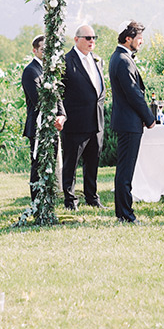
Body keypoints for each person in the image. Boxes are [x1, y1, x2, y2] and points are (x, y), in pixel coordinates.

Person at [108, 21, 155, 223]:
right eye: (139, 38)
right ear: (128, 39)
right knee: (125, 172)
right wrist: (149, 118)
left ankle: (123, 212)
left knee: (124, 170)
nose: (141, 42)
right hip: (129, 122)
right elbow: (134, 94)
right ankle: (125, 215)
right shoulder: (123, 60)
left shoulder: (119, 57)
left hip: (127, 121)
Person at [61, 24, 105, 209]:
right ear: (76, 39)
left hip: (96, 121)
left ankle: (92, 197)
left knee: (93, 162)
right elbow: (59, 93)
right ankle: (70, 200)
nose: (91, 41)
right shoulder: (66, 61)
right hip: (75, 122)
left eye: (94, 37)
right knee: (71, 164)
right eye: (88, 38)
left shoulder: (97, 60)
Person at [21, 35, 65, 201]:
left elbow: (57, 95)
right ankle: (37, 201)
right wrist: (53, 116)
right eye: (42, 50)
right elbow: (39, 100)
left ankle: (48, 198)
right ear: (35, 50)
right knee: (38, 165)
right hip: (38, 125)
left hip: (52, 124)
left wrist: (62, 115)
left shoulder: (49, 70)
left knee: (50, 164)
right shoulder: (30, 71)